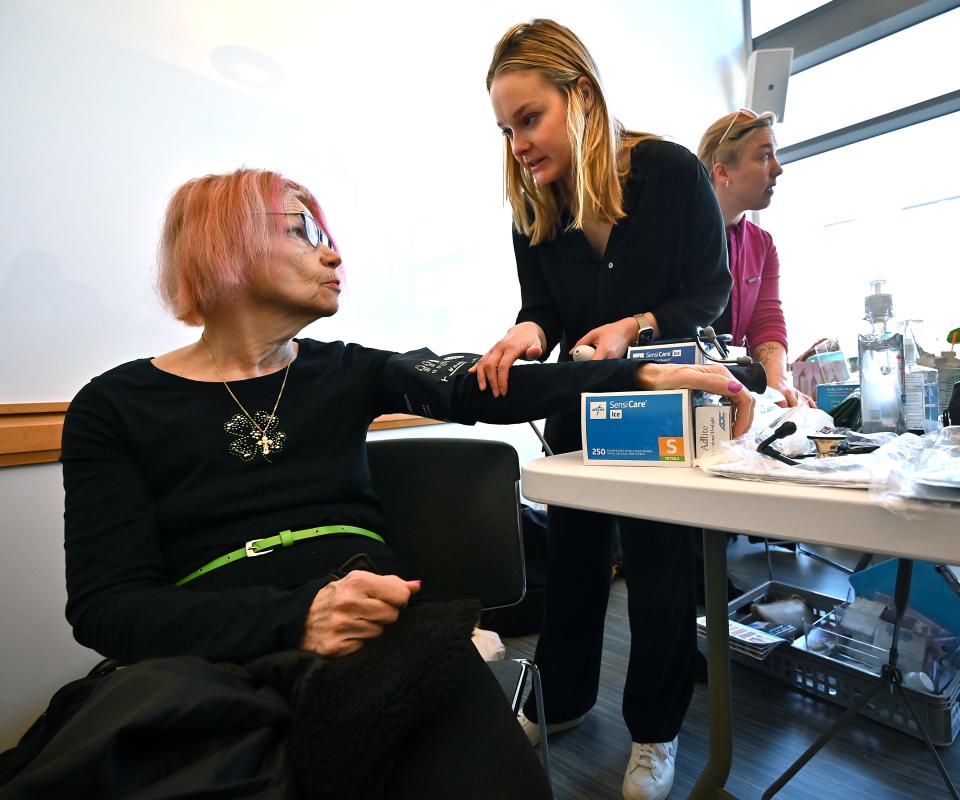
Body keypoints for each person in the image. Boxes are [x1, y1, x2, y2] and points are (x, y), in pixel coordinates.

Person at [0, 168, 752, 800]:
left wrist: (640, 372)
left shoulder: (350, 368)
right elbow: (107, 606)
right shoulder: (114, 405)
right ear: (222, 244)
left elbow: (477, 387)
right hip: (206, 646)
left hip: (381, 626)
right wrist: (295, 618)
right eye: (304, 231)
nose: (333, 254)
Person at [474, 19, 733, 800]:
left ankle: (655, 735)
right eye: (506, 129)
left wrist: (638, 326)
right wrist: (529, 328)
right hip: (579, 412)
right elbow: (543, 309)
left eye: (529, 119)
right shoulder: (535, 207)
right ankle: (562, 703)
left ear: (580, 95)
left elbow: (710, 290)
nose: (519, 144)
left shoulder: (672, 175)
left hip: (660, 409)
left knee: (658, 571)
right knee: (576, 564)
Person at [697, 108, 813, 407]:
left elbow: (766, 322)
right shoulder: (674, 232)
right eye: (764, 156)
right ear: (722, 172)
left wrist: (777, 384)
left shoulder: (762, 245)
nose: (778, 168)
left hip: (729, 394)